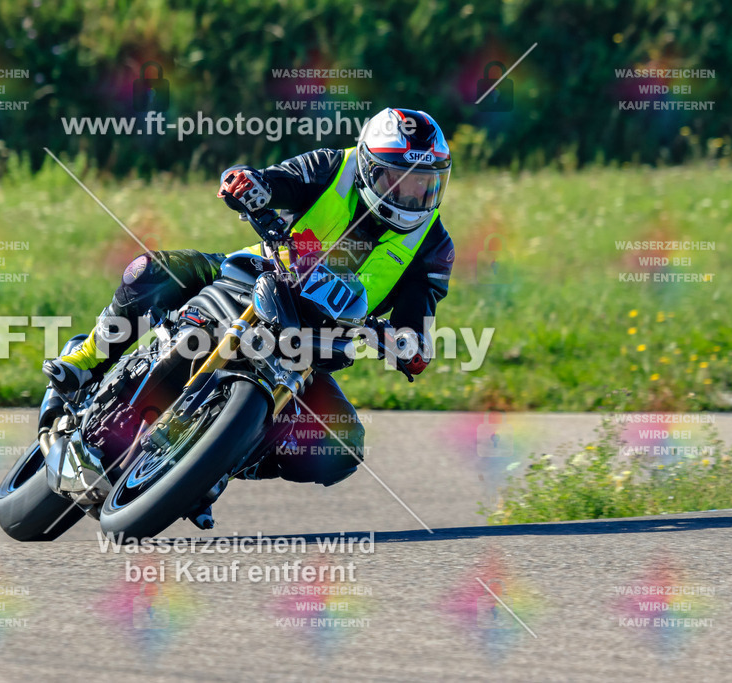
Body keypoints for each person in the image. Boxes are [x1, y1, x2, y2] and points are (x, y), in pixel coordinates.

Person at [42, 107, 455, 524]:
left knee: (341, 447)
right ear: (367, 166)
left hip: (313, 341)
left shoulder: (434, 248)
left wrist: (409, 346)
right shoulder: (334, 167)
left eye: (425, 183)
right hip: (256, 276)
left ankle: (218, 462)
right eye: (399, 179)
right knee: (149, 271)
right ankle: (87, 359)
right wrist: (250, 184)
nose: (412, 194)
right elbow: (277, 181)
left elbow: (417, 319)